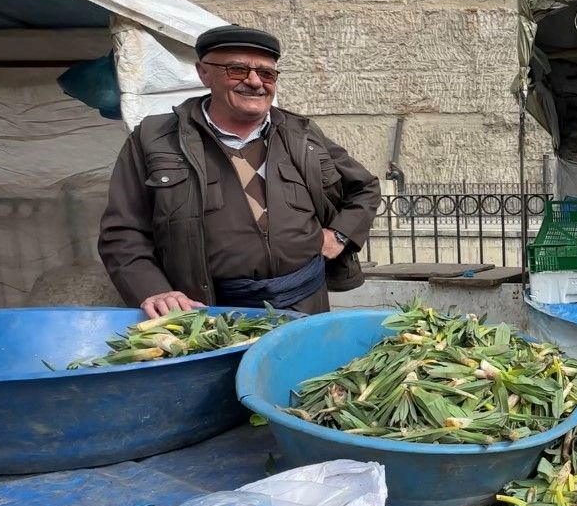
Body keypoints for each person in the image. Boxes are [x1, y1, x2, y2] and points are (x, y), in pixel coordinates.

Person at [99, 25, 380, 318]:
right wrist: (152, 288)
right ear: (203, 73)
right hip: (208, 314)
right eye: (237, 70)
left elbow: (366, 188)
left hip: (305, 305)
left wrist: (341, 234)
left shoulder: (302, 135)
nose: (255, 81)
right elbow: (122, 232)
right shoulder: (154, 139)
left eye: (267, 73)